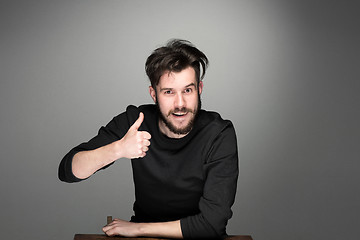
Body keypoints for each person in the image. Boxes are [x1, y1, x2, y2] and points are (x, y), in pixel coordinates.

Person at [58, 39, 239, 239]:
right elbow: (68, 170)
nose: (180, 104)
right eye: (169, 92)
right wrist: (118, 149)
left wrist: (139, 229)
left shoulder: (219, 133)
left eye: (188, 90)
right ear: (153, 94)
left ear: (199, 89)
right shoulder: (135, 121)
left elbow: (211, 226)